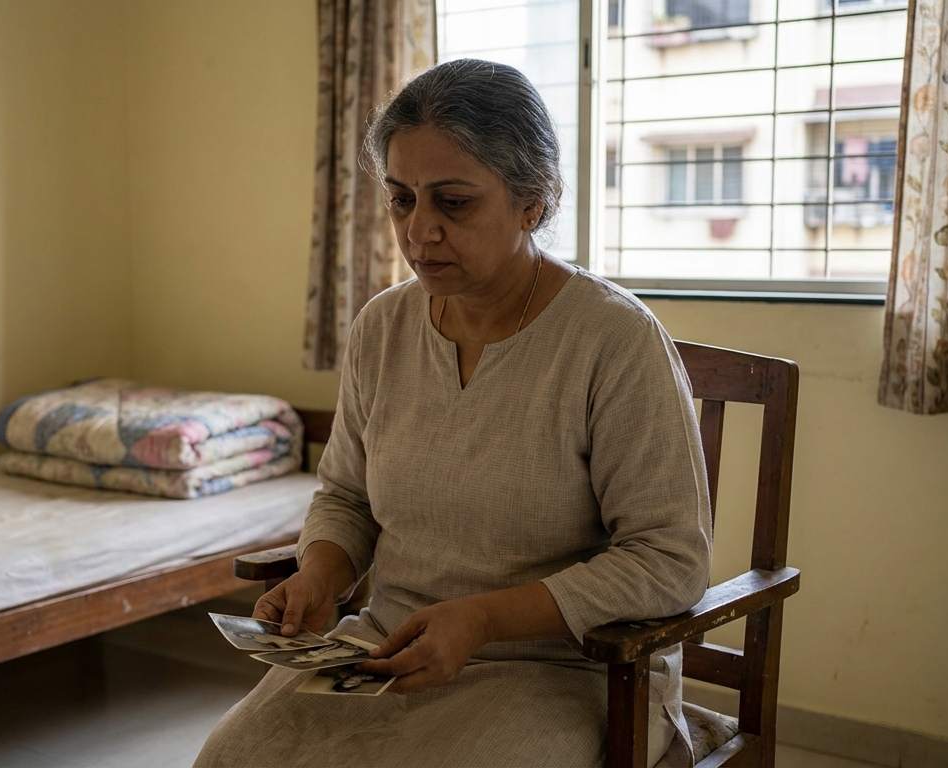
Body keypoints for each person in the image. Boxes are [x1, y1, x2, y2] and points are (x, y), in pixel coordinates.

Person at [195, 58, 712, 768]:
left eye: (453, 202)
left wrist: (483, 618)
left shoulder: (613, 340)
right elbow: (347, 495)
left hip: (572, 669)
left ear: (534, 201)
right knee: (229, 761)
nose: (419, 232)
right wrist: (321, 571)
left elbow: (669, 560)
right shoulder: (382, 328)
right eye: (402, 199)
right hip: (388, 648)